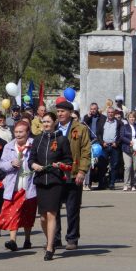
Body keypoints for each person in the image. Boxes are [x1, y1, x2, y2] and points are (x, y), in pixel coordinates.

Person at [29, 112, 72, 261]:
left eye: (48, 121)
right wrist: (34, 165)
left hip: (55, 181)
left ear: (54, 123)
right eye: (44, 121)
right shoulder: (37, 140)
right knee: (42, 217)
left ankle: (49, 248)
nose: (46, 124)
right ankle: (51, 240)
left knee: (51, 214)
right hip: (41, 180)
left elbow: (69, 161)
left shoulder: (62, 140)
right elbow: (31, 159)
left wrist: (60, 165)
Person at [55, 100, 91, 250]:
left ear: (70, 113)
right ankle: (54, 238)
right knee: (54, 209)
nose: (60, 114)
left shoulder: (81, 128)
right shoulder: (52, 128)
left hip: (73, 173)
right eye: (58, 111)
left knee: (72, 209)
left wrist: (82, 171)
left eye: (63, 111)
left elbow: (86, 151)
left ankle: (72, 238)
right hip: (55, 175)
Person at [0, 121, 37, 251]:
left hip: (29, 184)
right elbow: (2, 164)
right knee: (12, 213)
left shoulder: (34, 144)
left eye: (21, 132)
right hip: (13, 185)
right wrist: (11, 164)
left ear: (27, 132)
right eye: (16, 132)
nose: (18, 135)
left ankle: (27, 239)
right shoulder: (8, 146)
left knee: (28, 214)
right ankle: (12, 240)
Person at [96, 107, 123, 190]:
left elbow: (121, 135)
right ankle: (101, 183)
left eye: (112, 112)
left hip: (114, 146)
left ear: (114, 113)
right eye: (109, 112)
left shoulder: (119, 123)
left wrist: (117, 143)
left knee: (114, 166)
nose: (110, 114)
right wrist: (102, 143)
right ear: (107, 113)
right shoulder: (102, 121)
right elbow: (99, 134)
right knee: (102, 165)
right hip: (104, 146)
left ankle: (112, 183)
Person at [120, 111, 136, 191]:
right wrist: (129, 141)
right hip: (126, 148)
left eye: (133, 117)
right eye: (130, 117)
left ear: (135, 118)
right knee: (128, 167)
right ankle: (126, 184)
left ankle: (133, 184)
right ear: (128, 118)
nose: (132, 119)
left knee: (135, 168)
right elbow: (122, 136)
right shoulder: (124, 127)